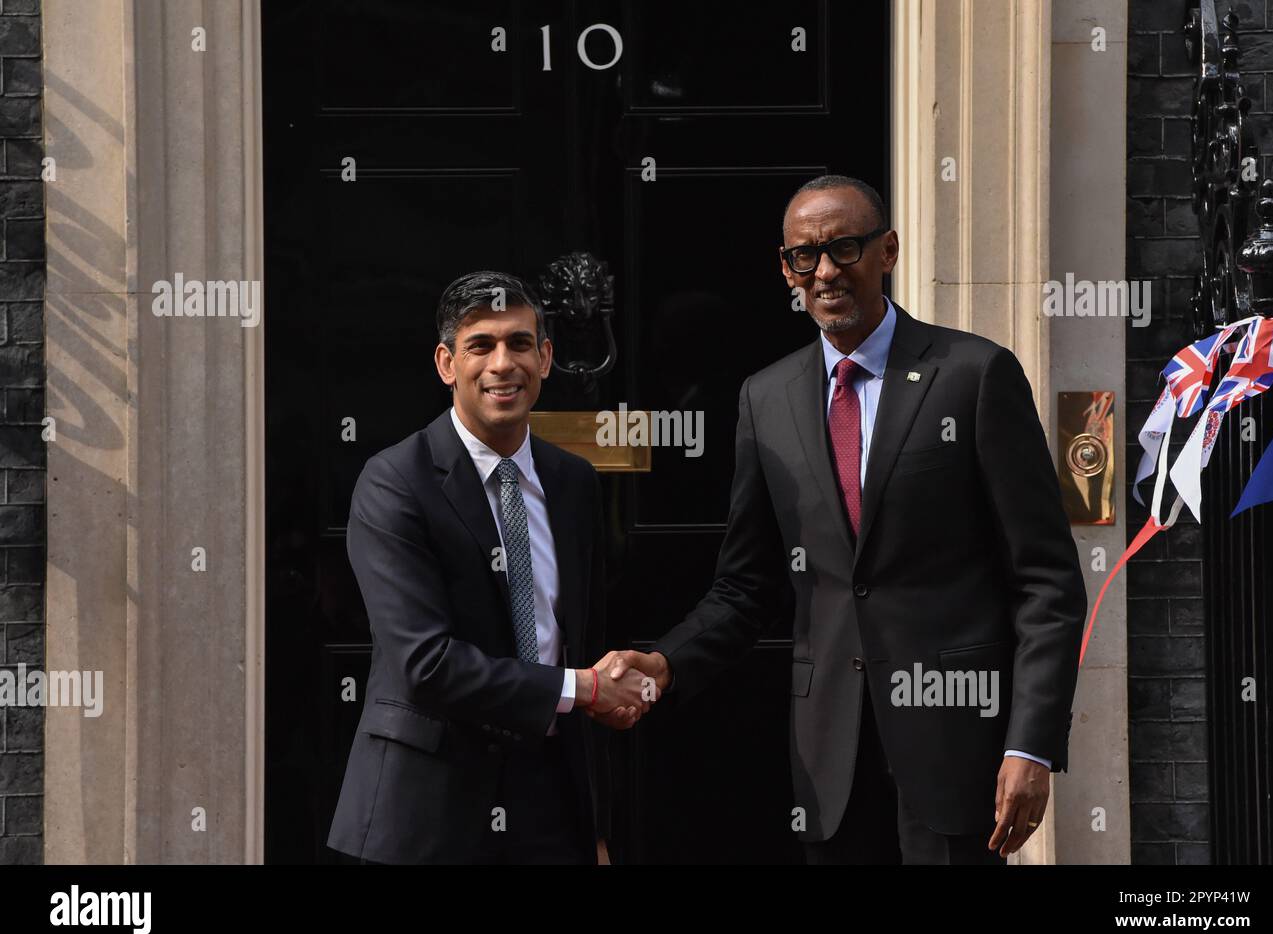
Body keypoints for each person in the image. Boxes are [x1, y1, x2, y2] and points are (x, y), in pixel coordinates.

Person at [605, 175, 1088, 864]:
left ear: (887, 250)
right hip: (827, 758)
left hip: (956, 748)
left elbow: (1046, 582)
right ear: (786, 269)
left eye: (845, 247)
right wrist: (664, 662)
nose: (826, 270)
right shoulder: (765, 397)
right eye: (806, 256)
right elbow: (747, 587)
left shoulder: (974, 375)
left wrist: (1029, 743)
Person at [327, 271, 647, 864]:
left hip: (552, 808)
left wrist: (596, 826)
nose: (504, 363)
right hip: (428, 812)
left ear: (546, 358)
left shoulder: (573, 481)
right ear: (447, 363)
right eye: (482, 346)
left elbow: (582, 639)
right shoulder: (395, 482)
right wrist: (584, 688)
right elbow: (426, 664)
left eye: (520, 344)